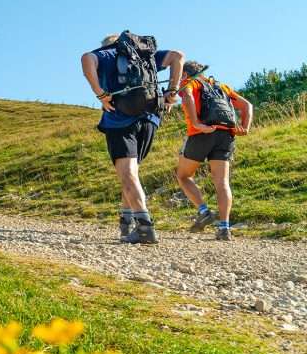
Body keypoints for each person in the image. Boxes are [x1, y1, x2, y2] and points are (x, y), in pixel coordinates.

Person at [81, 33, 184, 244]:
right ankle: (126, 222)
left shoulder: (107, 54)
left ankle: (144, 227)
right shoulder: (146, 56)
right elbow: (178, 56)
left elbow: (86, 58)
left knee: (127, 173)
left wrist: (99, 92)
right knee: (130, 173)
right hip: (150, 121)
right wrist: (172, 92)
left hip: (120, 121)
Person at [174, 61, 254, 241]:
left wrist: (196, 123)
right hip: (226, 136)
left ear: (185, 74)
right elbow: (247, 106)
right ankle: (224, 228)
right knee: (222, 182)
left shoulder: (190, 83)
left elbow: (186, 97)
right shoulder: (222, 87)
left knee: (183, 176)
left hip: (201, 134)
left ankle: (203, 211)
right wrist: (245, 127)